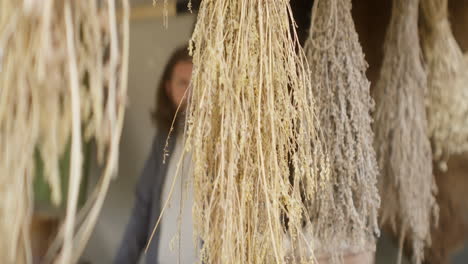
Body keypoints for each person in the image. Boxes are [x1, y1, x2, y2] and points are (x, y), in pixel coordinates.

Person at [114, 45, 195, 264]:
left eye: (197, 84)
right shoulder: (164, 140)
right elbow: (144, 205)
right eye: (183, 83)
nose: (190, 93)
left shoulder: (222, 143)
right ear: (169, 89)